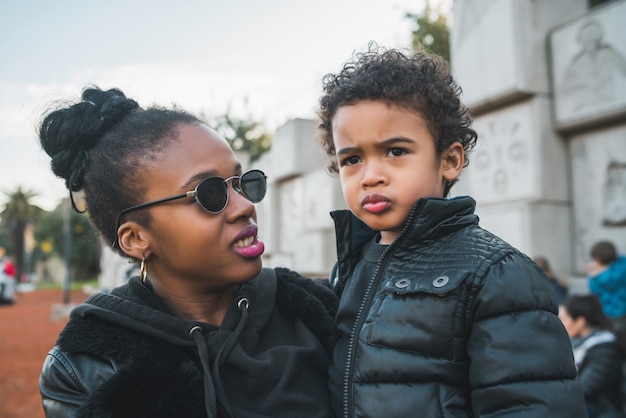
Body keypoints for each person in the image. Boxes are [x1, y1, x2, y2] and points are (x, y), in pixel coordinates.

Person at [316, 43, 587, 417]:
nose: (370, 176)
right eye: (353, 159)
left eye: (395, 151)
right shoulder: (351, 265)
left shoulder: (497, 273)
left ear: (449, 160)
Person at [37, 86, 338, 417]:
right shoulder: (84, 368)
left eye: (240, 183)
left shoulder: (316, 308)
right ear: (136, 238)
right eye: (209, 194)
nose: (244, 206)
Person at [559, 295, 625, 418]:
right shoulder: (577, 344)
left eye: (563, 318)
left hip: (600, 410)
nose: (560, 323)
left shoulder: (606, 350)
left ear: (580, 322)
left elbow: (584, 389)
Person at [588, 240, 626, 339]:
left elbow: (594, 291)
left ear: (598, 260)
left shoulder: (597, 279)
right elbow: (620, 259)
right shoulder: (623, 265)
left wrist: (593, 273)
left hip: (611, 313)